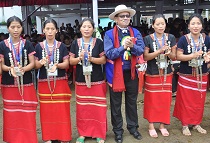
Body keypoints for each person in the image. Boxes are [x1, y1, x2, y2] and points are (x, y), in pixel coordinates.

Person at [104, 4, 145, 143]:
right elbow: (109, 54)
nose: (126, 18)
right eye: (122, 16)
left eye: (128, 16)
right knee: (115, 104)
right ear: (116, 19)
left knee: (132, 102)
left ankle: (133, 128)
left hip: (131, 72)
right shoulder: (109, 34)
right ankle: (118, 131)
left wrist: (132, 46)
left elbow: (141, 50)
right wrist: (123, 47)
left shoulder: (136, 32)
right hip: (115, 73)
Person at [0, 16, 38, 143]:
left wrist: (24, 68)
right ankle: (13, 139)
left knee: (27, 112)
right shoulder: (2, 45)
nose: (15, 30)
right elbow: (2, 65)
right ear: (8, 28)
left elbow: (32, 63)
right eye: (12, 27)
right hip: (9, 84)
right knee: (11, 114)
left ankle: (28, 139)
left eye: (18, 27)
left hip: (26, 82)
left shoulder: (27, 44)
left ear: (22, 28)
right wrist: (9, 69)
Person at [69, 18, 107, 143]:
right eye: (84, 27)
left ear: (93, 29)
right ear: (80, 29)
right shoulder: (75, 43)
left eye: (89, 27)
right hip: (81, 80)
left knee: (98, 107)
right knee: (83, 108)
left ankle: (99, 133)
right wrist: (80, 58)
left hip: (97, 79)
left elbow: (103, 60)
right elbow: (71, 61)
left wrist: (91, 59)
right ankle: (83, 133)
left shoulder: (99, 42)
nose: (86, 29)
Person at [34, 19, 72, 143]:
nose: (50, 31)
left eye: (52, 29)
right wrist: (40, 63)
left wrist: (57, 65)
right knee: (46, 111)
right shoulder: (38, 47)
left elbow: (67, 64)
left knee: (61, 109)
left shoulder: (61, 46)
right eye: (47, 29)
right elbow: (35, 65)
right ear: (43, 30)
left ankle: (63, 136)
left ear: (56, 30)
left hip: (60, 82)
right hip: (44, 82)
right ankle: (48, 136)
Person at [173, 14, 210, 136]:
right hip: (186, 75)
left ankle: (196, 123)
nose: (195, 26)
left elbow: (209, 53)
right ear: (188, 26)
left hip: (202, 74)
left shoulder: (206, 39)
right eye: (193, 23)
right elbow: (178, 56)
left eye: (198, 23)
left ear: (202, 26)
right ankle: (185, 125)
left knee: (199, 101)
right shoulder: (183, 39)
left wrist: (207, 57)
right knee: (186, 101)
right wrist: (192, 56)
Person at [143, 14, 176, 138]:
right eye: (157, 24)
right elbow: (146, 57)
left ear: (165, 25)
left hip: (167, 72)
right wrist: (159, 51)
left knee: (165, 99)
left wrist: (168, 53)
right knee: (152, 100)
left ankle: (162, 125)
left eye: (162, 24)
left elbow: (174, 56)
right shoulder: (148, 39)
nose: (160, 26)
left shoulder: (171, 37)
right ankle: (151, 125)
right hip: (152, 72)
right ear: (153, 25)